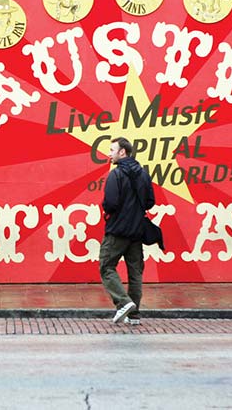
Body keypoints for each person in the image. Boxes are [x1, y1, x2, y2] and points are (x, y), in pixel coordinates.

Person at [100, 136, 155, 325]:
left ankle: (123, 302)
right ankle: (134, 315)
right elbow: (150, 202)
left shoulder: (115, 175)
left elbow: (110, 203)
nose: (109, 154)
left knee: (106, 266)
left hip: (117, 230)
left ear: (122, 152)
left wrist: (111, 211)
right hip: (137, 230)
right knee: (135, 272)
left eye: (112, 150)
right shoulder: (143, 173)